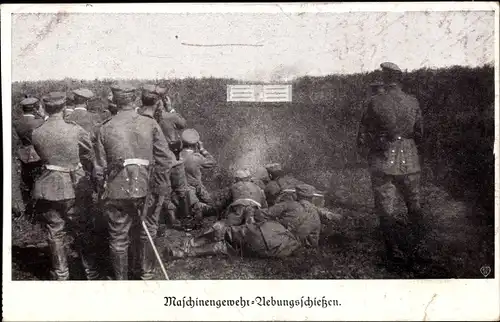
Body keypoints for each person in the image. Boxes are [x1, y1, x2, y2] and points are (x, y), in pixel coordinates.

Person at [94, 83, 176, 280]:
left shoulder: (104, 128)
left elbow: (99, 169)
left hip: (117, 189)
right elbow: (165, 159)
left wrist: (101, 192)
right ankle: (146, 274)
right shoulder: (149, 124)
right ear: (135, 100)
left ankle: (121, 282)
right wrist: (156, 186)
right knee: (147, 231)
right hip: (146, 188)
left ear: (113, 100)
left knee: (118, 237)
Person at [357, 62, 425, 268]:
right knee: (414, 203)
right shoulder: (412, 101)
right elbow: (420, 132)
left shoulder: (375, 102)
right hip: (410, 159)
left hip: (383, 158)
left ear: (386, 79)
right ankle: (419, 246)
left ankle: (393, 249)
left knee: (386, 206)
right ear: (399, 79)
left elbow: (362, 135)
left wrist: (372, 149)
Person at [30, 92, 99, 280]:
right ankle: (91, 272)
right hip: (74, 185)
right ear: (63, 107)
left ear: (44, 107)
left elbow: (40, 156)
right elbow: (89, 151)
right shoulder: (74, 129)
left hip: (48, 186)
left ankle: (61, 274)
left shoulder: (37, 131)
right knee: (82, 229)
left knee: (55, 232)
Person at [139, 84, 186, 232]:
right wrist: (170, 108)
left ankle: (160, 220)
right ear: (160, 101)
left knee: (154, 191)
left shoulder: (139, 117)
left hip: (148, 159)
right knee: (177, 187)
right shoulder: (169, 116)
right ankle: (181, 216)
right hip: (170, 157)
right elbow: (183, 124)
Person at [263, 184, 342, 248]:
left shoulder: (289, 204)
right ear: (311, 197)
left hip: (285, 240)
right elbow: (326, 214)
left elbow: (266, 213)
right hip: (307, 245)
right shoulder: (315, 210)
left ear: (297, 195)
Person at [13, 97, 46, 219]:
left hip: (24, 154)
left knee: (27, 180)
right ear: (35, 108)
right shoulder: (40, 122)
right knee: (39, 181)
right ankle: (37, 210)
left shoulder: (16, 122)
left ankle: (28, 208)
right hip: (37, 154)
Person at [178, 129, 217, 227]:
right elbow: (212, 162)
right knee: (213, 207)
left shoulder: (177, 155)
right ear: (196, 144)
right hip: (196, 188)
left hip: (181, 189)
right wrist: (202, 149)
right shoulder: (196, 157)